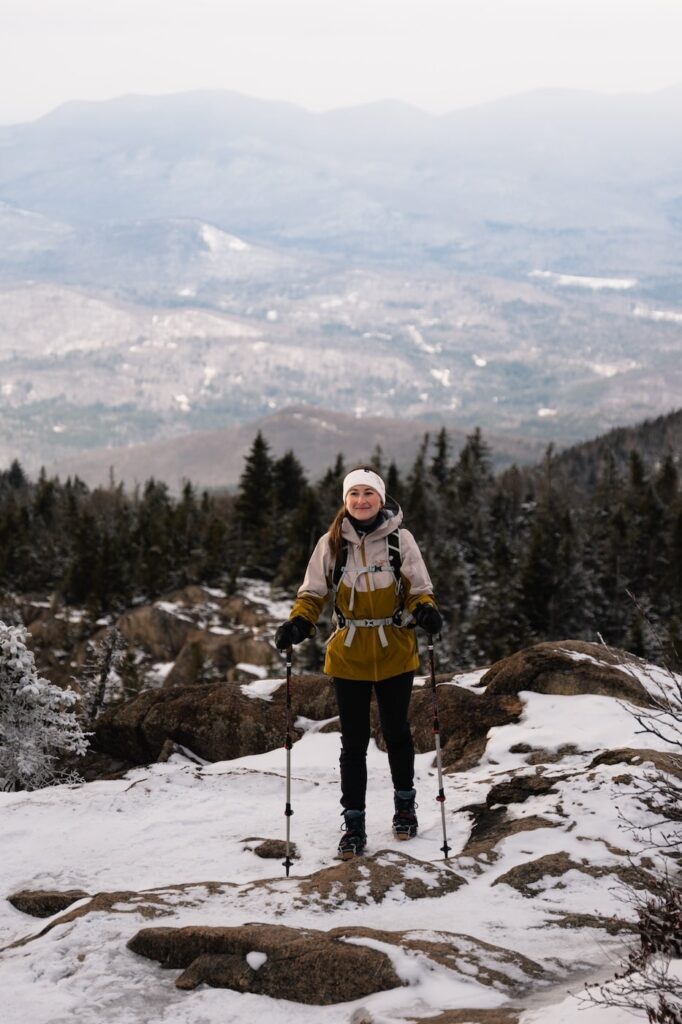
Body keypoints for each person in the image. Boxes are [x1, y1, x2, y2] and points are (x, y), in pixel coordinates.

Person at [274, 466, 442, 859]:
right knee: (353, 744)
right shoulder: (332, 543)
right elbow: (312, 593)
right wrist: (299, 622)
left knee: (397, 733)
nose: (361, 501)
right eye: (354, 494)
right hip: (348, 654)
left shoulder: (401, 540)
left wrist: (427, 609)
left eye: (368, 493)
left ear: (381, 500)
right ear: (344, 501)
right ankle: (354, 824)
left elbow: (419, 588)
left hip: (395, 651)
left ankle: (405, 807)